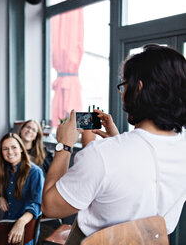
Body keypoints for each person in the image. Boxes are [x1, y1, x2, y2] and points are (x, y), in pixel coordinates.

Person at [42, 44, 186, 245]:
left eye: (124, 84)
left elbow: (50, 207)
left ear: (139, 88)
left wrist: (64, 146)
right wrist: (116, 140)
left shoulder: (103, 156)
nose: (121, 92)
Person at [0, 133, 44, 245]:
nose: (10, 152)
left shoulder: (35, 172)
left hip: (25, 229)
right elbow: (3, 190)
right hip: (7, 224)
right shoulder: (6, 170)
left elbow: (37, 204)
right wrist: (2, 197)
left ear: (22, 149)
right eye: (5, 149)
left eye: (14, 147)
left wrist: (21, 222)